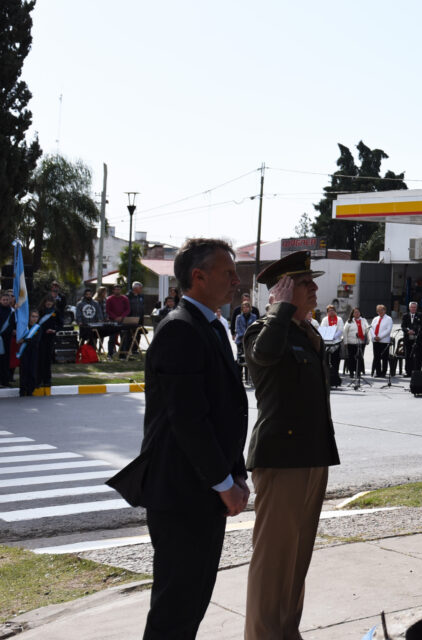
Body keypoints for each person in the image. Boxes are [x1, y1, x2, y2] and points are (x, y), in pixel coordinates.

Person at [106, 238, 249, 640]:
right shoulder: (180, 329)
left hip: (206, 489)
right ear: (198, 277)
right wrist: (224, 483)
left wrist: (235, 475)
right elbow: (189, 420)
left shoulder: (210, 326)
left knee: (192, 602)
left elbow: (224, 412)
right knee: (175, 608)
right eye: (227, 272)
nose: (236, 280)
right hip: (183, 492)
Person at [242, 251, 340, 640]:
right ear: (282, 290)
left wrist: (290, 315)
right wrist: (281, 310)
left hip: (312, 456)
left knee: (297, 558)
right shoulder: (261, 331)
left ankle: (286, 630)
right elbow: (264, 355)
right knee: (273, 559)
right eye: (304, 283)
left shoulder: (306, 332)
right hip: (282, 459)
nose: (315, 288)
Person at [318, 305, 344, 388]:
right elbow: (323, 329)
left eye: (332, 310)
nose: (331, 312)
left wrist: (333, 336)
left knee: (335, 362)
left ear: (335, 311)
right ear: (327, 312)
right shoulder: (325, 319)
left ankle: (335, 380)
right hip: (327, 342)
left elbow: (340, 330)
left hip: (336, 342)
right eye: (329, 311)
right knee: (326, 362)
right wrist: (327, 336)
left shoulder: (339, 319)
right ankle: (326, 380)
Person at [234, 300, 258, 383]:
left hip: (250, 340)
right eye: (243, 307)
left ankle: (248, 378)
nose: (245, 309)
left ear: (249, 308)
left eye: (247, 307)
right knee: (240, 358)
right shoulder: (238, 317)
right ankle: (239, 377)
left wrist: (248, 336)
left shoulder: (254, 316)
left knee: (249, 359)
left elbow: (254, 327)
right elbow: (238, 328)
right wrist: (243, 336)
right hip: (240, 340)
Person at [342, 307, 370, 379]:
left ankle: (358, 372)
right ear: (353, 314)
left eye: (358, 312)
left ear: (360, 313)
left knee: (360, 357)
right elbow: (345, 332)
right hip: (351, 342)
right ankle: (351, 372)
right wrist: (345, 341)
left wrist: (368, 340)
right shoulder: (349, 321)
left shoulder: (363, 320)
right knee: (351, 358)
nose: (357, 313)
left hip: (361, 342)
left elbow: (367, 330)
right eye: (355, 312)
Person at [105, 285, 130, 358]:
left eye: (118, 289)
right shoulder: (109, 299)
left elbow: (127, 309)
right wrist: (115, 317)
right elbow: (108, 310)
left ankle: (122, 355)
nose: (117, 291)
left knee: (123, 338)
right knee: (112, 338)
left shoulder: (125, 298)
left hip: (122, 321)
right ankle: (110, 354)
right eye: (116, 289)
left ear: (120, 290)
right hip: (112, 321)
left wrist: (122, 317)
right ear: (113, 290)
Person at [402, 301, 422, 374]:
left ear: (416, 308)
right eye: (412, 307)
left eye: (414, 307)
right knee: (408, 355)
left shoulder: (420, 315)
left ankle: (417, 371)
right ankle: (408, 371)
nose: (413, 309)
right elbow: (403, 326)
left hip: (417, 339)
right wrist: (407, 331)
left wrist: (414, 331)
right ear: (409, 308)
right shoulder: (405, 315)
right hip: (408, 339)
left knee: (418, 356)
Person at [369, 304, 393, 377]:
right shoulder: (375, 319)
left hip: (384, 341)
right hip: (375, 341)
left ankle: (383, 372)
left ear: (384, 310)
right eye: (378, 311)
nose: (380, 312)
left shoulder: (389, 319)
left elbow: (388, 330)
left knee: (384, 358)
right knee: (376, 357)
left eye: (381, 310)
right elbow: (371, 328)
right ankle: (378, 372)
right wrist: (374, 336)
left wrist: (380, 337)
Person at [0, 290, 13, 386]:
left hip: (7, 338)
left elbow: (14, 324)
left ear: (9, 301)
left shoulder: (12, 312)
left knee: (6, 360)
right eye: (3, 299)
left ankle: (5, 380)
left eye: (7, 300)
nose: (5, 301)